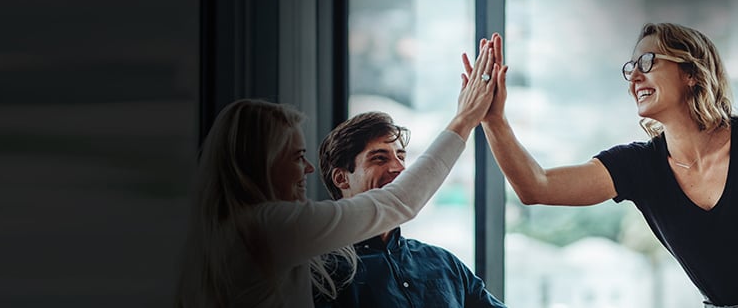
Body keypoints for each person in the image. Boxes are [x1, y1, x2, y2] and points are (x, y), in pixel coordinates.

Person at [466, 25, 738, 307]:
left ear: (691, 73)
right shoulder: (640, 166)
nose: (634, 76)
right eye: (630, 68)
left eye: (648, 62)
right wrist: (493, 120)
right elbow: (536, 187)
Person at [177, 38, 502, 307]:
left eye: (401, 155)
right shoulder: (278, 237)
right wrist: (465, 119)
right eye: (296, 157)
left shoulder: (444, 266)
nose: (306, 169)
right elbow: (399, 201)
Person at [312, 111, 506, 307]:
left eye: (401, 157)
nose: (399, 168)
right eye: (380, 158)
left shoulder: (443, 263)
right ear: (341, 179)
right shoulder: (321, 274)